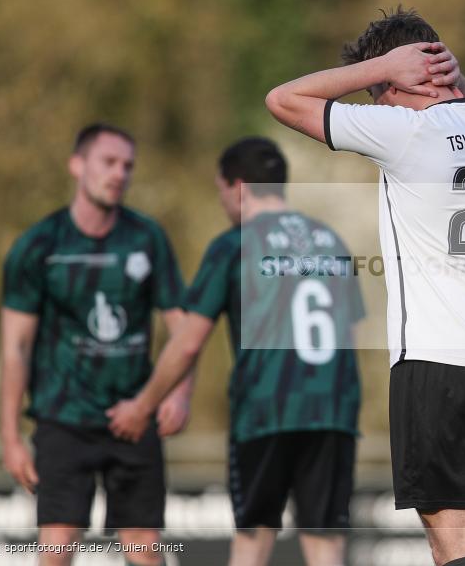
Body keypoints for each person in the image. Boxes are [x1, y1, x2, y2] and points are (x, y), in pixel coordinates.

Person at [265, 7, 465, 566]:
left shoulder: (408, 132)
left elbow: (283, 100)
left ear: (400, 79)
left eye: (378, 92)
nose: (374, 106)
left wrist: (382, 67)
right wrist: (444, 71)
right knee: (464, 535)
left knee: (453, 540)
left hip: (441, 357)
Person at [106, 137, 365, 566]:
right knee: (325, 544)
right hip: (332, 410)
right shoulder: (329, 240)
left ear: (236, 187)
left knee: (252, 540)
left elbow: (188, 341)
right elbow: (349, 334)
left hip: (266, 410)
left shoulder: (234, 245)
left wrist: (142, 404)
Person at [0, 123, 192, 566]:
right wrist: (10, 437)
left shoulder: (147, 238)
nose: (119, 173)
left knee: (144, 550)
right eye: (108, 162)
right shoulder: (38, 246)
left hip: (134, 416)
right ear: (77, 165)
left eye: (128, 166)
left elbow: (184, 330)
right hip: (62, 419)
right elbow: (16, 348)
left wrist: (178, 395)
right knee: (57, 548)